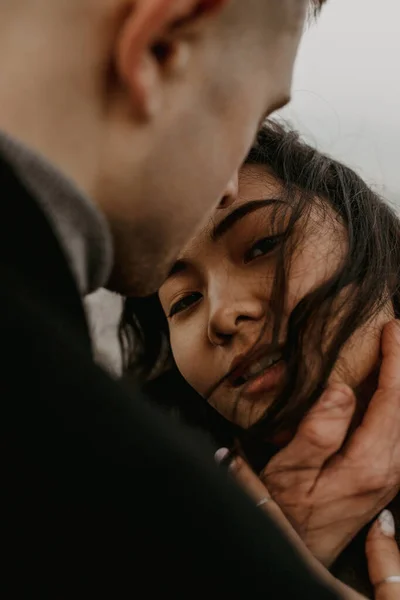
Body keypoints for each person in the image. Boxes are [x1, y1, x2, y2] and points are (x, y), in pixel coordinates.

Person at [1, 0, 358, 598]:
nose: (226, 183)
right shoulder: (98, 481)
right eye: (252, 111)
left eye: (266, 243)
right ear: (158, 45)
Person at [122, 121, 400, 596]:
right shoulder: (132, 530)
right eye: (184, 300)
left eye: (264, 247)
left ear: (372, 246)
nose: (223, 316)